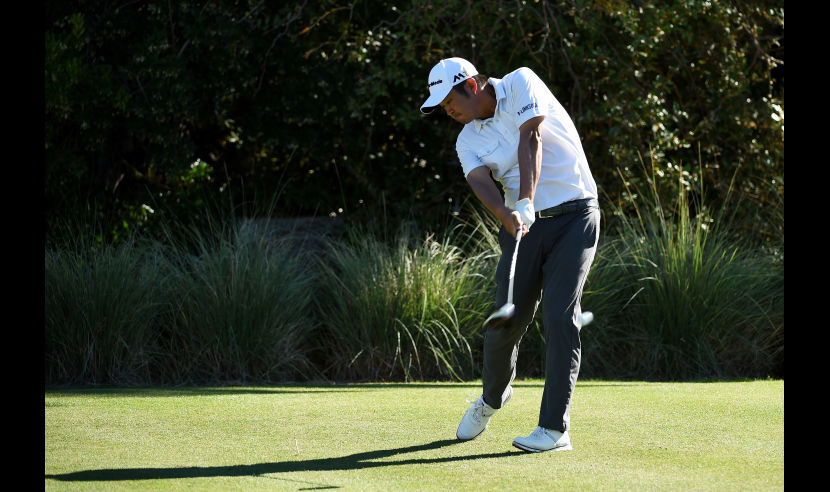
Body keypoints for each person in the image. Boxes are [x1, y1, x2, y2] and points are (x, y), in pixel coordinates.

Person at [420, 57, 600, 452]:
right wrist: (506, 214)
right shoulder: (466, 139)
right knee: (506, 318)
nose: (446, 110)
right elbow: (478, 179)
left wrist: (526, 200)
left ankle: (554, 429)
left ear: (470, 84)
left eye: (449, 100)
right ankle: (492, 398)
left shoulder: (521, 82)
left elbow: (530, 138)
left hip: (575, 214)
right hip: (525, 227)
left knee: (559, 316)